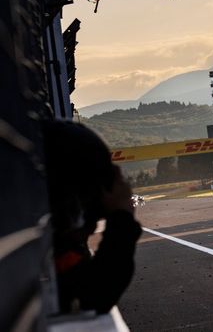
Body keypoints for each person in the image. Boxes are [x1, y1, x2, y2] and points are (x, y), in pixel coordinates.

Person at [42, 120, 142, 314]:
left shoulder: (44, 248)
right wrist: (121, 217)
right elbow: (95, 294)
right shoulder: (45, 255)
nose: (90, 227)